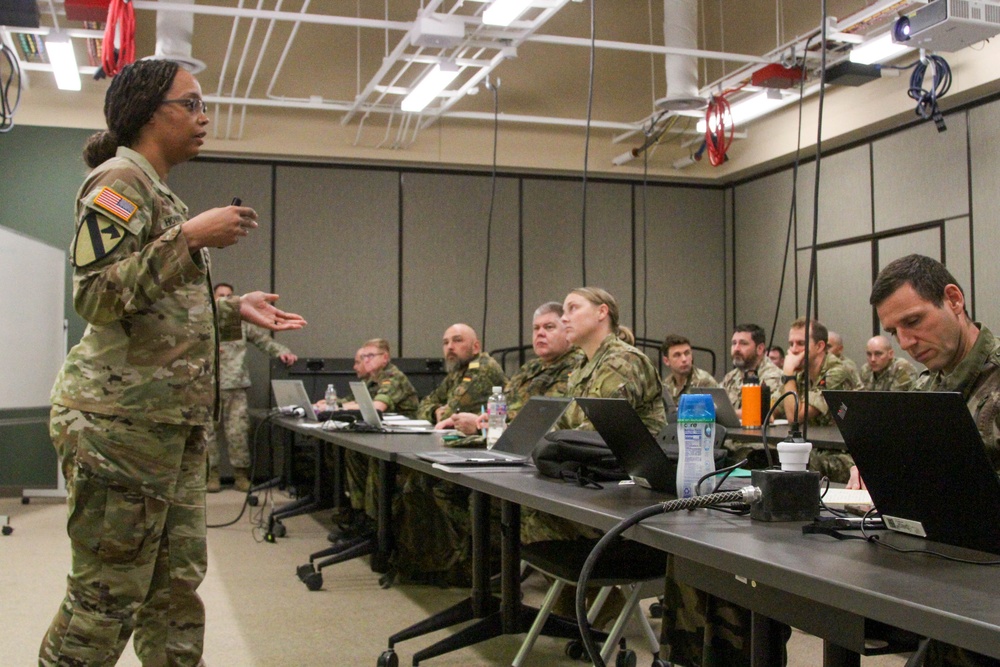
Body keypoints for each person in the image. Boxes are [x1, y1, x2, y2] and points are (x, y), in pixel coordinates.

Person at [41, 59, 306, 667]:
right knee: (107, 598)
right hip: (119, 429)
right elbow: (96, 295)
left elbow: (162, 315)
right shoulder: (118, 180)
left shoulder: (159, 191)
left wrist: (237, 309)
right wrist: (188, 238)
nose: (203, 116)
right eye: (189, 104)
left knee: (174, 593)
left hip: (170, 428)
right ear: (146, 113)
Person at [851, 254, 1000, 667]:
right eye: (895, 332)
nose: (907, 342)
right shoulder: (925, 388)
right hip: (940, 564)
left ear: (953, 299)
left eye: (914, 322)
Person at [391, 323, 506, 586]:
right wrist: (435, 411)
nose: (450, 348)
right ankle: (439, 559)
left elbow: (453, 409)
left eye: (457, 341)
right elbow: (427, 405)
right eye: (445, 342)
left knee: (424, 483)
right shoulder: (457, 372)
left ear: (475, 346)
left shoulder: (482, 369)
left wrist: (444, 411)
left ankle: (467, 562)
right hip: (465, 448)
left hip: (483, 453)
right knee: (415, 481)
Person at [437, 301, 583, 436]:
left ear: (567, 331)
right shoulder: (531, 367)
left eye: (549, 327)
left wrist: (483, 423)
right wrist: (468, 420)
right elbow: (502, 405)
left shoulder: (576, 365)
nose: (540, 333)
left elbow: (544, 415)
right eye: (536, 328)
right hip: (505, 439)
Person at [206, 281, 298, 493]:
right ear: (213, 297)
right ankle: (211, 475)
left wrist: (282, 351)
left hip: (236, 386)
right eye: (221, 295)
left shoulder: (242, 323)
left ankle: (240, 475)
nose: (225, 299)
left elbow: (264, 341)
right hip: (207, 388)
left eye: (230, 295)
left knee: (238, 433)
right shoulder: (204, 321)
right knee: (207, 435)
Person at [332, 339, 419, 544]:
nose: (365, 361)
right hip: (387, 438)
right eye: (364, 357)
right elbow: (354, 402)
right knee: (353, 452)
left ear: (385, 358)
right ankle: (360, 516)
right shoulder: (373, 381)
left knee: (372, 459)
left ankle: (374, 525)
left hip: (408, 442)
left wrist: (338, 409)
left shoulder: (393, 377)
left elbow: (377, 406)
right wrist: (334, 405)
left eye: (370, 356)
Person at [775, 317, 860, 483]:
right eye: (790, 344)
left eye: (800, 343)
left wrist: (788, 374)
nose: (793, 350)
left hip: (845, 454)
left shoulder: (837, 371)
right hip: (815, 447)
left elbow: (795, 417)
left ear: (820, 346)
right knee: (763, 457)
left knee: (796, 464)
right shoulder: (800, 375)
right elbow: (773, 408)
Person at [720, 323, 783, 465]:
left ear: (760, 348)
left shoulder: (773, 376)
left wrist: (725, 413)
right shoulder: (730, 377)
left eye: (743, 344)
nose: (736, 349)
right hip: (732, 442)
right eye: (734, 343)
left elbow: (765, 413)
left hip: (759, 446)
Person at [661, 334, 719, 406]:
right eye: (677, 355)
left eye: (687, 353)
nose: (684, 359)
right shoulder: (665, 386)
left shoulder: (704, 381)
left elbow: (718, 413)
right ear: (666, 361)